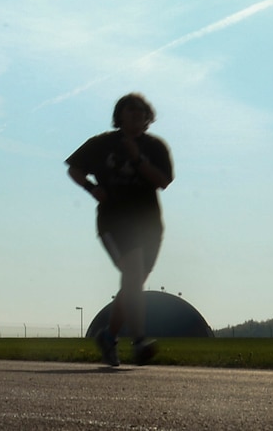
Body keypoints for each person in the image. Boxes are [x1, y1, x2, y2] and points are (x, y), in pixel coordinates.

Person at [66, 93, 173, 366]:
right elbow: (74, 168)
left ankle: (108, 336)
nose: (137, 114)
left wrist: (138, 159)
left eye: (142, 111)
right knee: (133, 273)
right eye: (131, 110)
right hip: (114, 221)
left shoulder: (155, 146)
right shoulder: (102, 144)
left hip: (149, 223)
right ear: (120, 115)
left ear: (148, 116)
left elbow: (163, 181)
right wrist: (92, 188)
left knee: (134, 282)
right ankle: (139, 340)